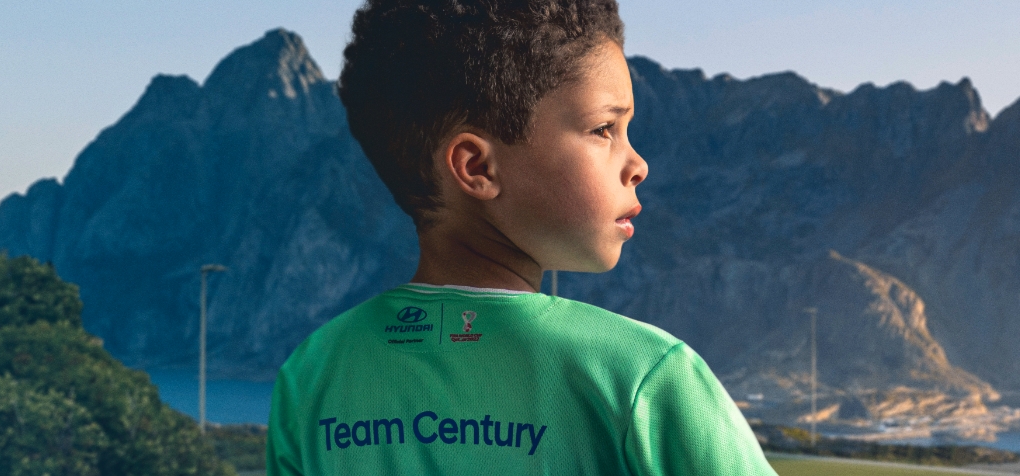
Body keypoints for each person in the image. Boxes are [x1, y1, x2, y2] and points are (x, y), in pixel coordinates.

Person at [265, 0, 776, 474]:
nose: (638, 164)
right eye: (604, 129)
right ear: (477, 167)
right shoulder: (644, 379)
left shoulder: (312, 376)